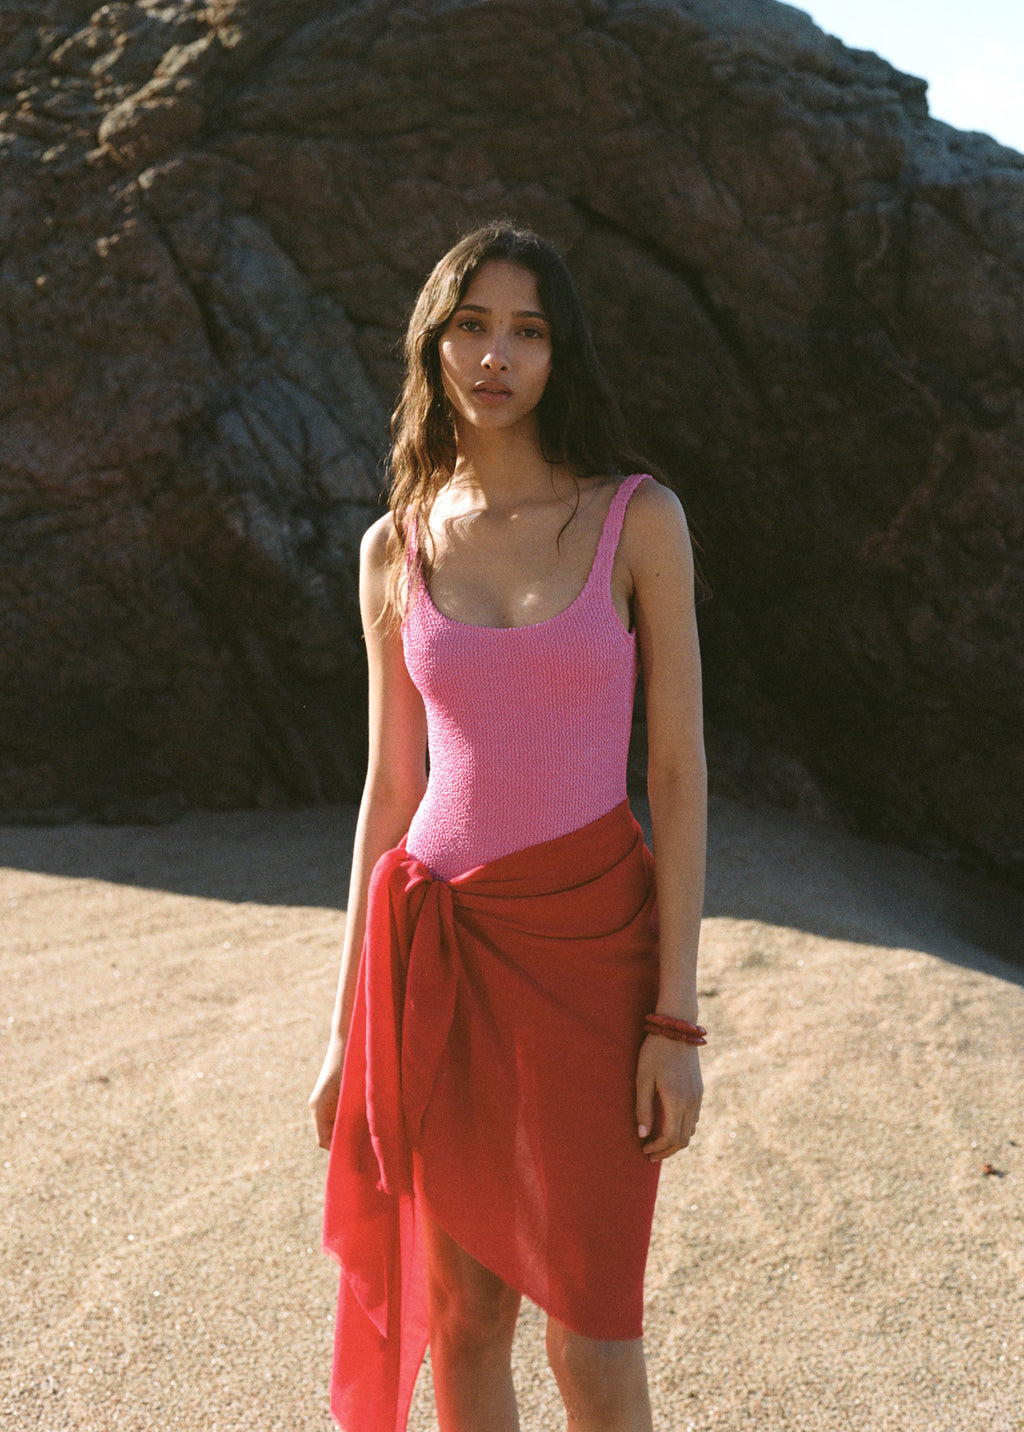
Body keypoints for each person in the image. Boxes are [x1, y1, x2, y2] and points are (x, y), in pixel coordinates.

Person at [308, 220, 707, 1432]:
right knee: (465, 1322)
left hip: (596, 952)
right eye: (472, 325)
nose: (496, 355)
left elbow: (680, 774)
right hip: (433, 957)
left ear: (559, 354)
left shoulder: (639, 520)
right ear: (433, 345)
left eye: (526, 331)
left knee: (592, 1339)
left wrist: (675, 1016)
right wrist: (342, 1036)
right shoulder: (396, 544)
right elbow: (387, 792)